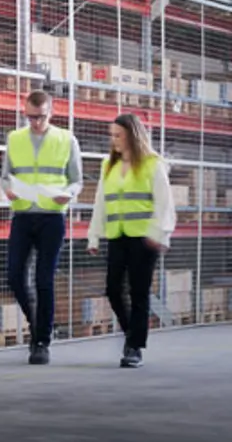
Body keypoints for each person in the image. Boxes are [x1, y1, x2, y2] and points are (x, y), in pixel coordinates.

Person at [88, 113, 176, 369]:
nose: (113, 140)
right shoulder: (109, 165)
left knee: (139, 293)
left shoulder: (152, 163)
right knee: (113, 290)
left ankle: (134, 347)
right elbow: (100, 203)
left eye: (118, 135)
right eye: (112, 135)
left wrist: (161, 234)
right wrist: (94, 235)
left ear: (133, 135)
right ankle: (132, 334)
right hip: (117, 235)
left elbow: (164, 203)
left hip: (144, 238)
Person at [3, 89, 82, 365]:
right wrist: (9, 191)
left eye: (40, 117)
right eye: (30, 117)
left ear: (52, 112)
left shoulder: (66, 139)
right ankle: (35, 320)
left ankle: (41, 342)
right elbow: (6, 176)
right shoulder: (14, 139)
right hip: (23, 215)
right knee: (14, 275)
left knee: (43, 279)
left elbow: (76, 180)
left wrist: (69, 194)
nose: (35, 122)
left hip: (52, 216)